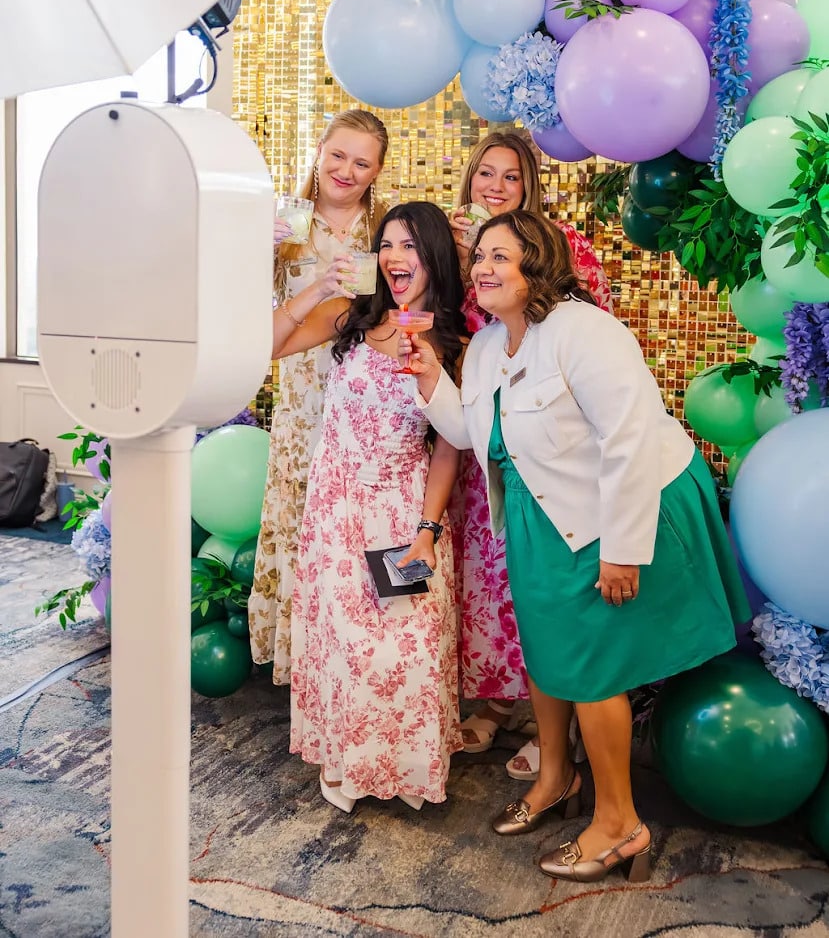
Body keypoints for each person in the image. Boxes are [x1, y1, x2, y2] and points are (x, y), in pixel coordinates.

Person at [403, 210, 749, 881]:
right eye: (480, 256)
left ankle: (619, 824)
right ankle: (556, 780)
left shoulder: (585, 331)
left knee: (591, 671)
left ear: (537, 264)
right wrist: (428, 380)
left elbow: (627, 441)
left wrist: (623, 548)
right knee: (546, 656)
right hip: (540, 519)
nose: (482, 267)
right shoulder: (482, 347)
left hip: (615, 509)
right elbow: (476, 436)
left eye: (501, 255)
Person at [270, 202, 466, 811]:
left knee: (405, 647)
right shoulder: (352, 317)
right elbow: (265, 347)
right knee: (346, 647)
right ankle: (348, 766)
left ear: (433, 255)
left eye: (409, 245)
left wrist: (428, 531)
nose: (394, 257)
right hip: (336, 514)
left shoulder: (452, 340)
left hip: (403, 514)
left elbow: (449, 448)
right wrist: (315, 290)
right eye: (387, 244)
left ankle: (408, 771)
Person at [447, 128, 613, 781]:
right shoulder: (460, 246)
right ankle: (495, 706)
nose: (494, 185)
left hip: (547, 442)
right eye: (484, 172)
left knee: (544, 588)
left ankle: (557, 737)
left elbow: (589, 321)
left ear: (530, 187)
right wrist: (455, 262)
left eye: (509, 176)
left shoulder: (560, 246)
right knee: (490, 581)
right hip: (479, 436)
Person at [249, 109, 388, 681]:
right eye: (338, 155)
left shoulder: (383, 230)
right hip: (303, 403)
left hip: (367, 405)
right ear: (319, 152)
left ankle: (354, 661)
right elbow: (252, 319)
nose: (346, 170)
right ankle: (306, 665)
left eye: (362, 162)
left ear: (378, 171)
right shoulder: (283, 224)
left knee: (357, 531)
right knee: (303, 523)